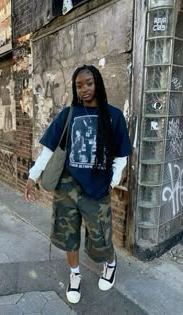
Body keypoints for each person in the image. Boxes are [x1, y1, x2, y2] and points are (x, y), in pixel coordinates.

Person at [24, 65, 132, 304]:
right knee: (68, 237)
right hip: (67, 188)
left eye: (89, 83)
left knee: (101, 236)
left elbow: (122, 155)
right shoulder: (68, 114)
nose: (84, 89)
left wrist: (112, 182)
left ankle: (111, 264)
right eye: (79, 85)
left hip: (97, 189)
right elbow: (49, 149)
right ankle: (74, 276)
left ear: (98, 84)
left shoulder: (113, 115)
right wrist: (32, 177)